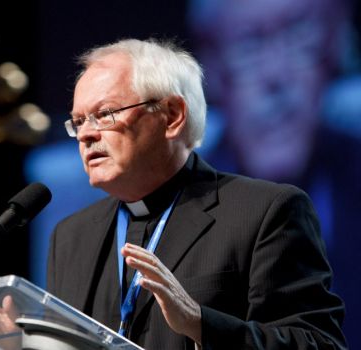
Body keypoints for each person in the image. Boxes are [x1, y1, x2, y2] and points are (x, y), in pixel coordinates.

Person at [45, 38, 347, 349]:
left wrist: (199, 323)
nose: (85, 134)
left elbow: (318, 343)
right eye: (78, 122)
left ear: (172, 115)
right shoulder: (70, 237)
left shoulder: (265, 212)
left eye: (105, 113)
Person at [187, 0, 361, 346]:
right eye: (249, 45)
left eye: (299, 34)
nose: (276, 75)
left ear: (335, 44)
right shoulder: (178, 210)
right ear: (212, 69)